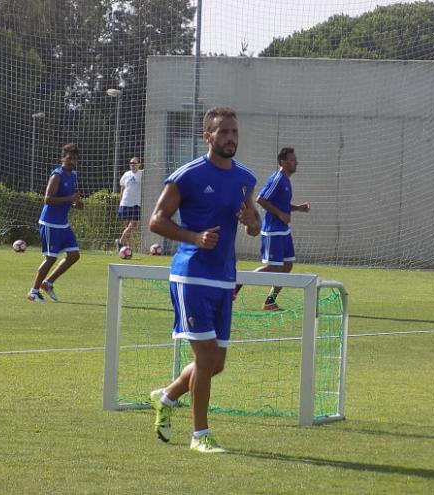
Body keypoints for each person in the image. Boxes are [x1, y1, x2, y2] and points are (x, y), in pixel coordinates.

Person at [148, 107, 261, 453]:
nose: (230, 138)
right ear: (208, 137)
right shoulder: (188, 176)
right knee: (206, 355)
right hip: (192, 275)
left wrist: (251, 221)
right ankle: (200, 435)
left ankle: (166, 396)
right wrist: (195, 238)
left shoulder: (245, 178)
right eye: (223, 132)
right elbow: (156, 220)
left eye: (235, 132)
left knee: (216, 364)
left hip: (224, 277)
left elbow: (255, 226)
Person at [247, 147, 310, 310]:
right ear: (283, 162)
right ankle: (240, 282)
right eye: (292, 160)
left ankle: (270, 302)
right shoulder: (277, 179)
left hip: (284, 231)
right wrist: (281, 214)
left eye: (295, 159)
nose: (296, 162)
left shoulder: (286, 181)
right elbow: (261, 199)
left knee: (287, 265)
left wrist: (298, 208)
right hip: (273, 230)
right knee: (274, 267)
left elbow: (281, 205)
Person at [27, 143, 84, 302]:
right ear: (62, 158)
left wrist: (75, 204)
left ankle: (48, 283)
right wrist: (70, 199)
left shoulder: (73, 176)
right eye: (69, 158)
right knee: (51, 258)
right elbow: (48, 199)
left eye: (75, 159)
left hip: (63, 224)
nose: (72, 161)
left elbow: (68, 200)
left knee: (74, 255)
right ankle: (33, 291)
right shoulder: (57, 175)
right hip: (50, 223)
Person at [115, 157, 143, 251]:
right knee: (127, 228)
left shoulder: (142, 173)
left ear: (139, 164)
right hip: (125, 203)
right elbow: (122, 188)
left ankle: (120, 241)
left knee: (133, 225)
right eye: (131, 163)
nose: (132, 165)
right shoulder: (126, 174)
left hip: (136, 203)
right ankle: (128, 249)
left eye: (135, 163)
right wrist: (120, 201)